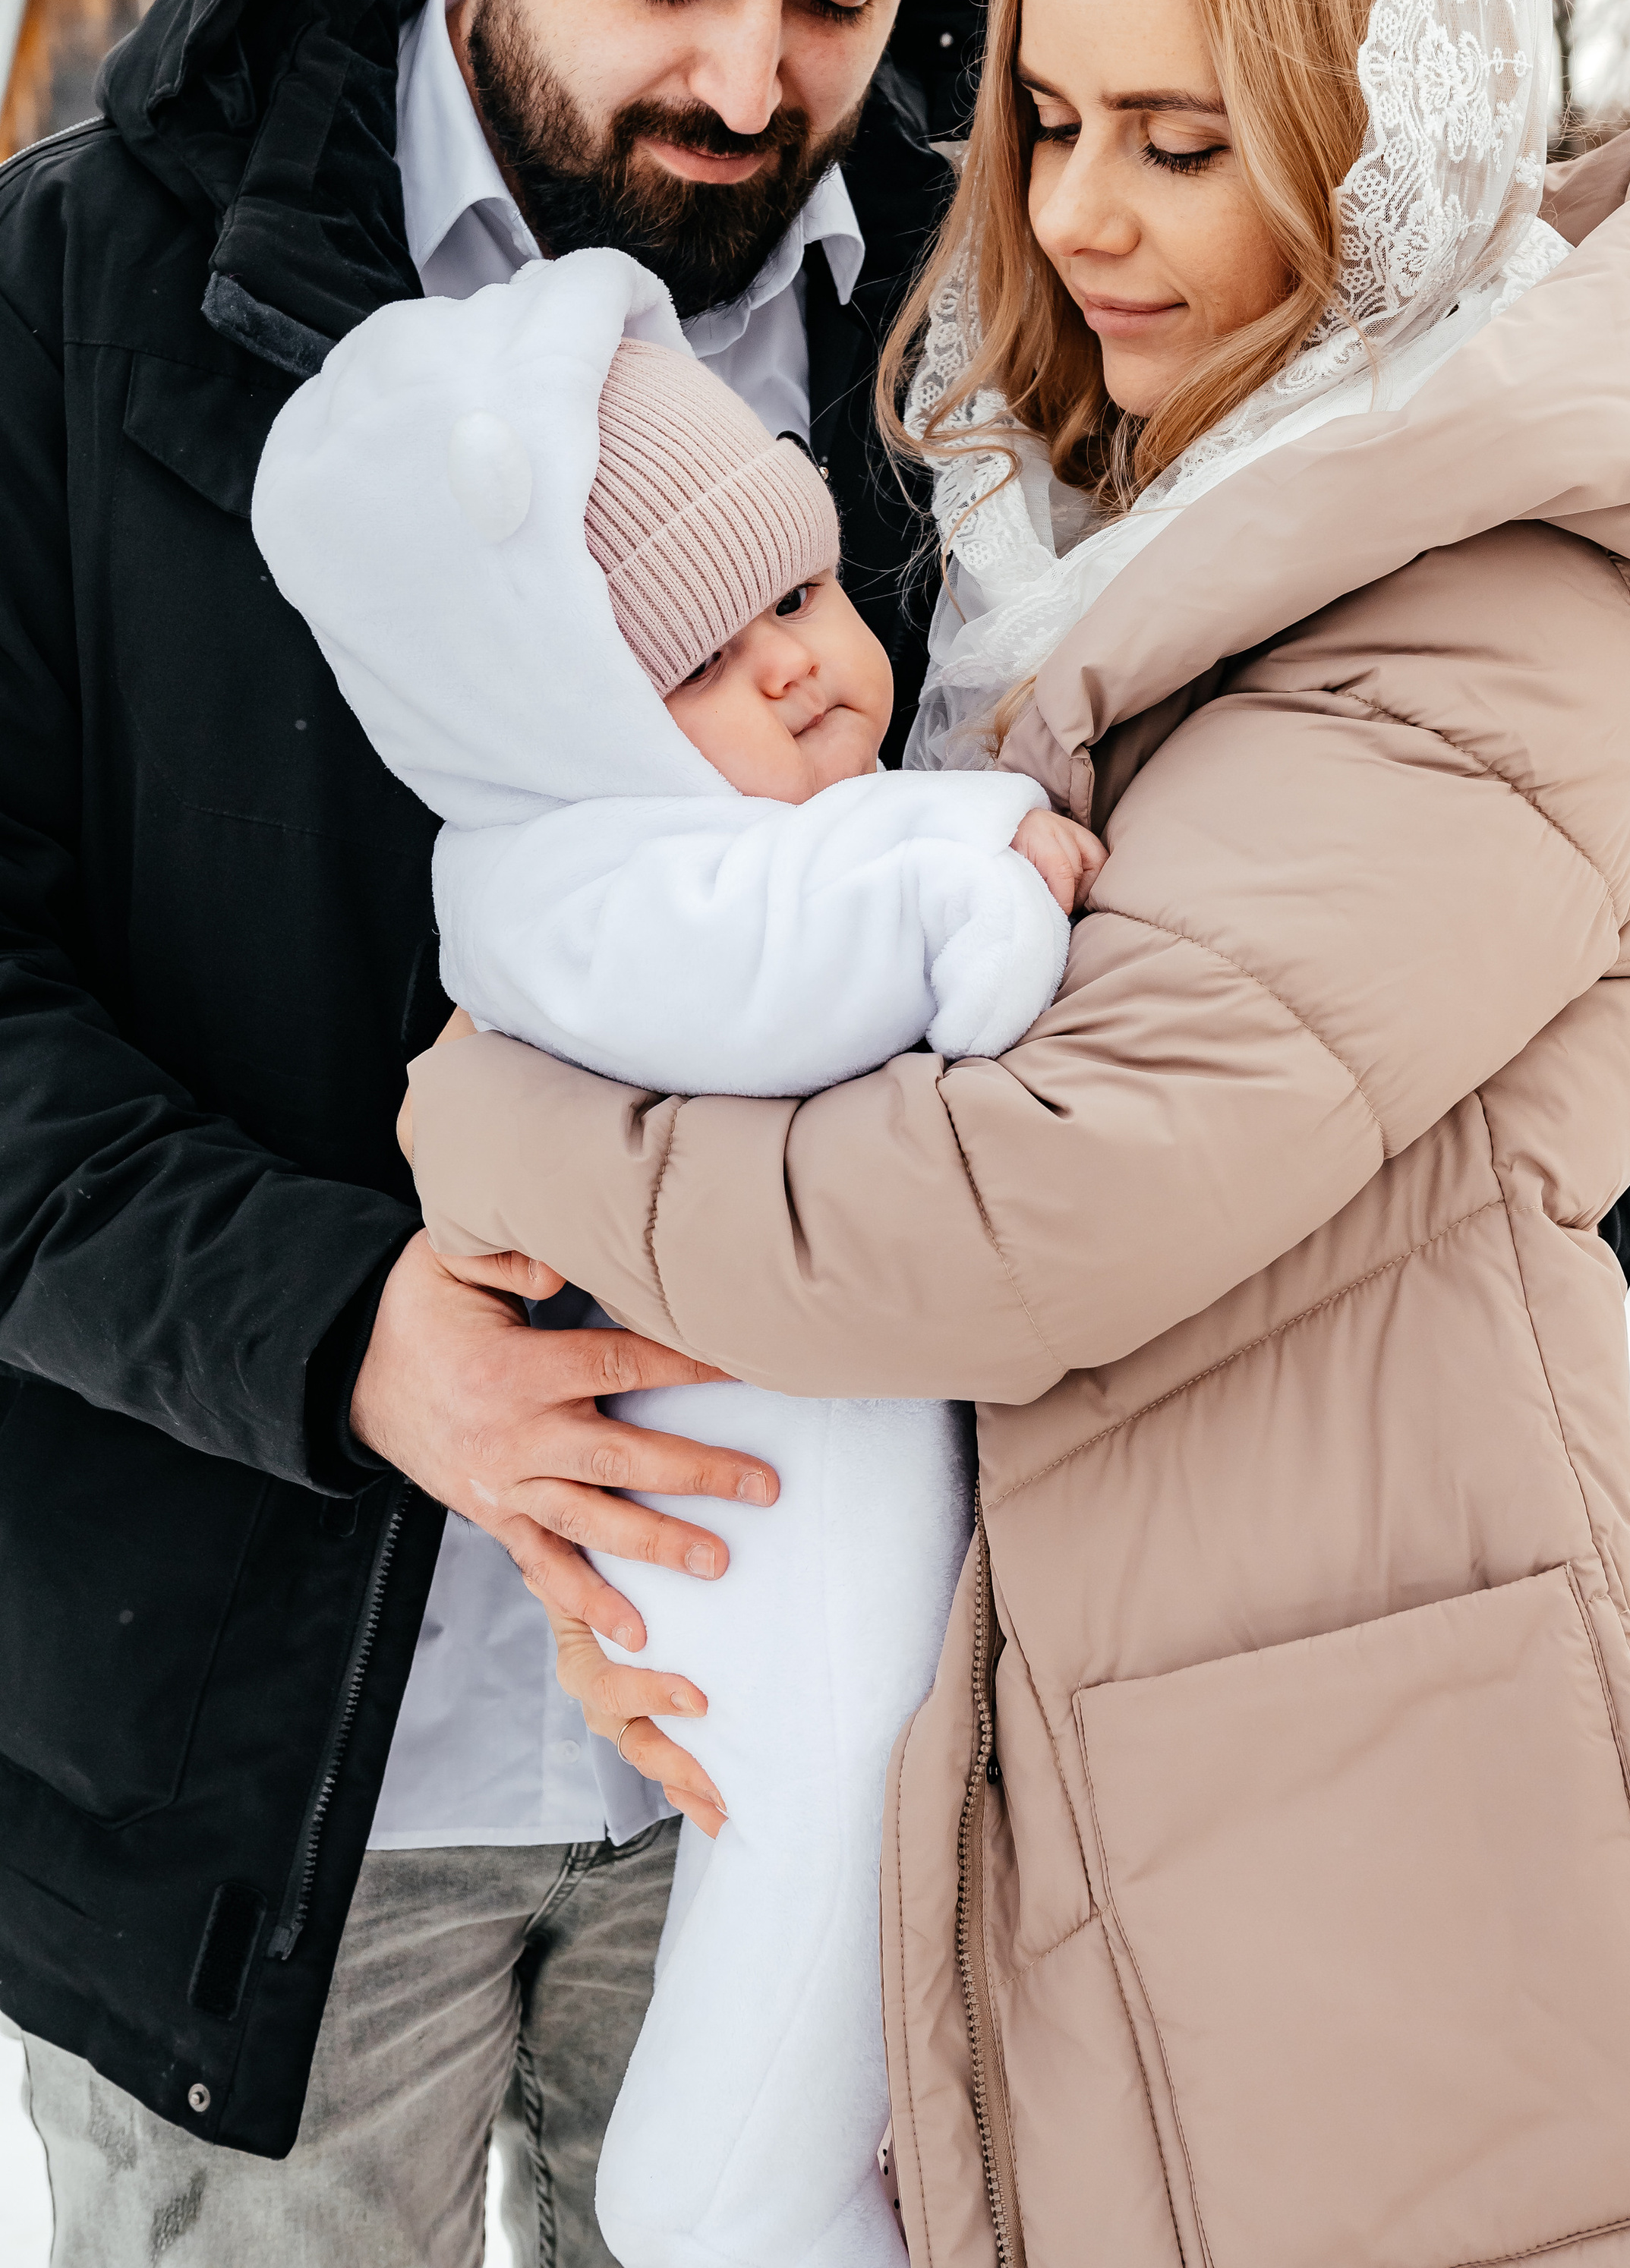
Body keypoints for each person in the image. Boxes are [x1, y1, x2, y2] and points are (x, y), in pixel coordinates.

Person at [408, 0, 1630, 2267]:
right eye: (1058, 122)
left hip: (1373, 1868)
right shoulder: (1143, 559)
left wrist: (511, 1137)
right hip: (1152, 1794)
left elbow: (1019, 1213)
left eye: (1186, 144)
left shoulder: (1496, 616)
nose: (1086, 217)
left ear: (1379, 146)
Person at [0, 0, 982, 2268]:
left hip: (811, 1793)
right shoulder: (76, 310)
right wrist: (345, 1339)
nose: (751, 87)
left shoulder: (1003, 311)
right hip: (273, 1827)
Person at [249, 238, 1102, 2266]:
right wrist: (974, 880)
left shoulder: (764, 825)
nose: (805, 660)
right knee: (807, 1898)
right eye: (711, 657)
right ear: (568, 710)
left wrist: (920, 833)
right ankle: (724, 2209)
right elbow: (781, 984)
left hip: (826, 1521)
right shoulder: (567, 881)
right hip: (744, 1562)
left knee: (862, 1906)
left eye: (804, 592)